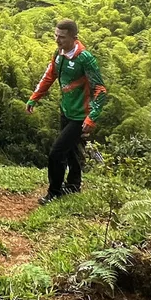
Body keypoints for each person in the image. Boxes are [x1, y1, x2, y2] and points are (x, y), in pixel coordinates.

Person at [26, 18, 108, 204]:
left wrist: (92, 117)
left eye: (62, 37)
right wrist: (34, 97)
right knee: (70, 150)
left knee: (56, 153)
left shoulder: (85, 59)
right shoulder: (59, 54)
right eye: (56, 35)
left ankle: (54, 192)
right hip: (66, 110)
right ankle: (73, 185)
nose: (57, 40)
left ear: (74, 37)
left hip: (80, 116)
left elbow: (100, 90)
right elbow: (49, 76)